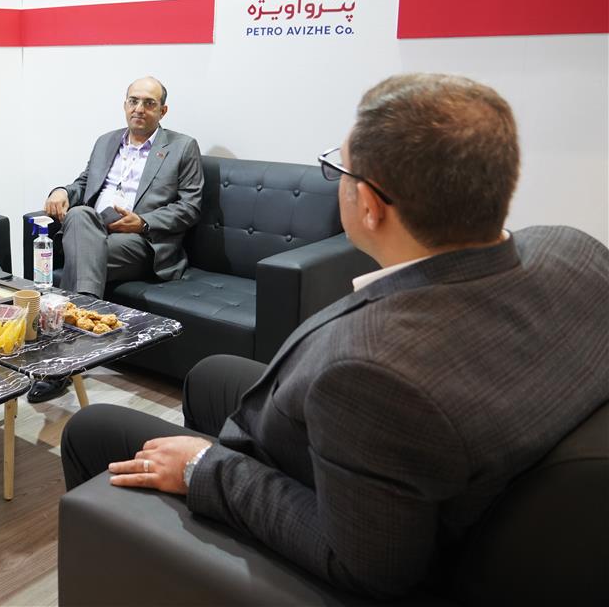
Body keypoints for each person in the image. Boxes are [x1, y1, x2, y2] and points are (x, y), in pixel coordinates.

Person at [60, 73, 608, 598]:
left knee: (92, 427)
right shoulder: (576, 251)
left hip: (336, 508)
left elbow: (366, 563)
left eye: (337, 167)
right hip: (385, 456)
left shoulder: (369, 367)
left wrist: (203, 468)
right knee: (210, 376)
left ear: (368, 206)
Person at [32, 76, 202, 402]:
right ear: (125, 104)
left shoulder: (182, 146)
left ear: (163, 111)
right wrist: (61, 191)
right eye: (133, 101)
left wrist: (144, 222)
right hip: (94, 229)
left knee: (81, 243)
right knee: (79, 214)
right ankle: (78, 337)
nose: (139, 108)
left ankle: (62, 351)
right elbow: (83, 184)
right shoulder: (106, 141)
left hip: (140, 240)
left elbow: (190, 207)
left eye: (149, 103)